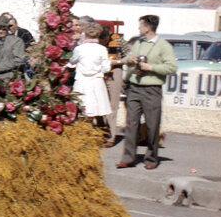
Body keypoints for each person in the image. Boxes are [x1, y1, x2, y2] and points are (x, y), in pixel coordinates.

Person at [117, 15, 177, 170]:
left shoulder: (163, 46)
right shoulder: (138, 43)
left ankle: (151, 158)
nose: (139, 29)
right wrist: (129, 61)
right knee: (131, 124)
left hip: (151, 89)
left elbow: (171, 67)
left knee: (152, 125)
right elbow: (129, 59)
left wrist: (151, 68)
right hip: (134, 87)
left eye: (141, 26)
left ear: (148, 27)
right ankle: (128, 158)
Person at [68, 21, 113, 143]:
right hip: (96, 82)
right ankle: (95, 136)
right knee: (96, 110)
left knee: (82, 110)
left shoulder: (79, 49)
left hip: (82, 81)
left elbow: (72, 61)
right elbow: (106, 68)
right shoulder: (102, 49)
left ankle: (82, 137)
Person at [99, 24, 125, 145]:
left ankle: (111, 136)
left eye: (105, 40)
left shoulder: (119, 41)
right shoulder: (96, 42)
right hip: (100, 72)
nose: (103, 42)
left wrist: (117, 61)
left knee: (113, 105)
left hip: (115, 71)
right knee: (100, 104)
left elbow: (130, 55)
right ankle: (102, 132)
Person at [0, 17, 25, 81]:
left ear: (8, 28)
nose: (0, 31)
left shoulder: (16, 41)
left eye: (3, 29)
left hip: (10, 78)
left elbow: (19, 60)